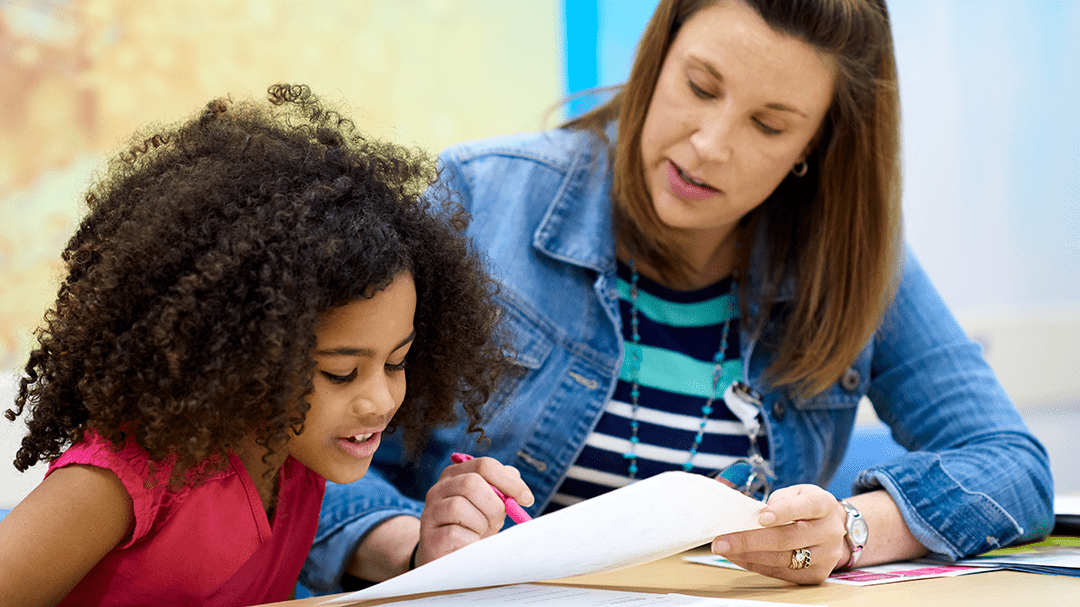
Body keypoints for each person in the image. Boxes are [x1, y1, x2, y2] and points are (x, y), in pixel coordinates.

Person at [302, 0, 1055, 592]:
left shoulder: (854, 262)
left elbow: (1012, 464)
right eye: (699, 85)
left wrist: (853, 529)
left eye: (768, 124)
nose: (708, 145)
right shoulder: (482, 196)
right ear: (656, 58)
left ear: (815, 148)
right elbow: (283, 452)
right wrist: (415, 550)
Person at [0, 83, 530, 607]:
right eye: (341, 373)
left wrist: (426, 553)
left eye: (397, 362)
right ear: (241, 355)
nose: (381, 401)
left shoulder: (296, 465)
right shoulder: (123, 481)